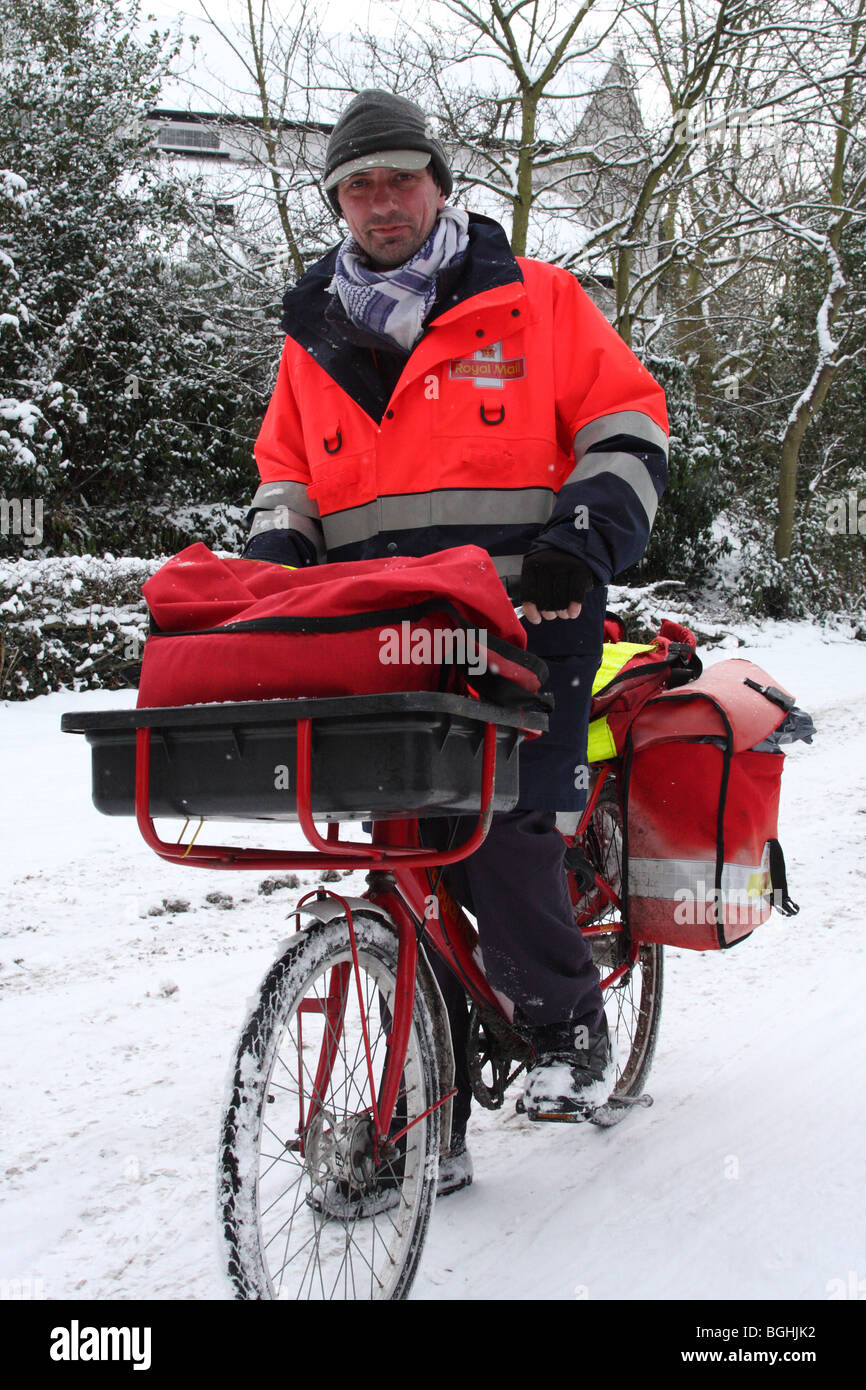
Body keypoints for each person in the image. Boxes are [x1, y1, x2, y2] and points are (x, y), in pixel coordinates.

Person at [242, 89, 669, 1193]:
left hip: (531, 612)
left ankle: (567, 1020)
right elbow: (284, 475)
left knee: (502, 823)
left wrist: (585, 534)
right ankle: (427, 1092)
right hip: (373, 631)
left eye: (398, 178)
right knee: (395, 837)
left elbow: (625, 422)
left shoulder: (535, 300)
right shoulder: (312, 336)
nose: (380, 202)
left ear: (438, 183)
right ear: (335, 200)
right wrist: (278, 555)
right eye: (357, 186)